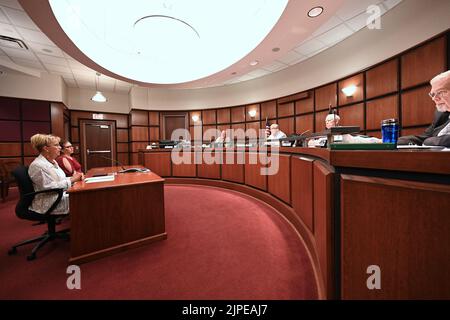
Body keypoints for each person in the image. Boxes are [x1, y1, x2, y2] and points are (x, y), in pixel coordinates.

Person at [28, 134, 83, 215]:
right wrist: (72, 180)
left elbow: (60, 180)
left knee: (86, 195)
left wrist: (74, 178)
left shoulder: (53, 161)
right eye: (56, 145)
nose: (60, 147)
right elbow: (48, 187)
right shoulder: (38, 165)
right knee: (85, 199)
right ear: (46, 148)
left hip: (59, 195)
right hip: (49, 202)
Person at [398, 70, 450, 147]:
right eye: (432, 94)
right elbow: (423, 138)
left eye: (440, 92)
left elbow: (429, 140)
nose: (434, 98)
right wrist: (386, 142)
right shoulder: (441, 114)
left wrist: (429, 141)